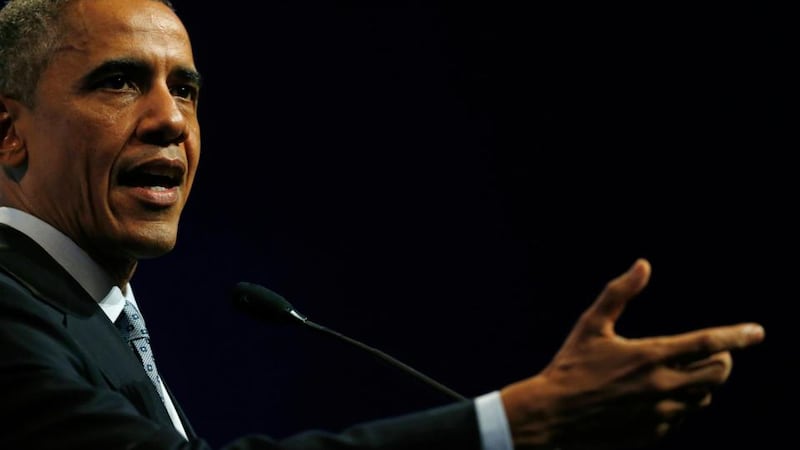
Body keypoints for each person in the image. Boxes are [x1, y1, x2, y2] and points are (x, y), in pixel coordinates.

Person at [0, 0, 765, 449]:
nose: (171, 119)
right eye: (121, 82)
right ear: (9, 132)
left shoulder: (91, 317)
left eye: (188, 89)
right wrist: (515, 421)